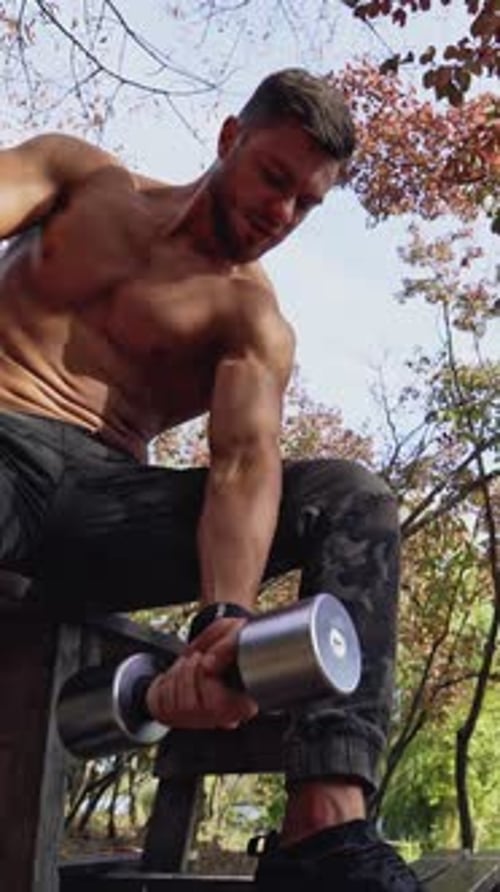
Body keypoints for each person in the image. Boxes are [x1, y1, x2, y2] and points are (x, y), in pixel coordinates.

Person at [0, 69, 423, 890]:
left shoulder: (250, 318)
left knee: (353, 497)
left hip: (107, 502)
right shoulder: (78, 177)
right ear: (229, 138)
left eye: (306, 205)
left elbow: (241, 462)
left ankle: (323, 832)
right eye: (273, 178)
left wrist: (224, 623)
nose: (281, 214)